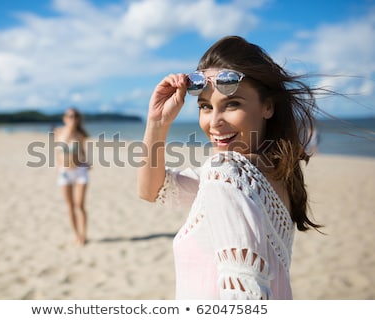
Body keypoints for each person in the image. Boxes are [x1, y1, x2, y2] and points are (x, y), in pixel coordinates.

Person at [137, 35, 322, 299]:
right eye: (205, 106)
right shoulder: (273, 171)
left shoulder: (226, 171)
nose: (214, 122)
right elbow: (152, 190)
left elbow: (246, 295)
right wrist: (157, 121)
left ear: (267, 106)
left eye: (232, 104)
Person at [54, 107, 90, 246]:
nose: (73, 118)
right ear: (65, 118)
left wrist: (87, 162)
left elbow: (82, 151)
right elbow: (57, 152)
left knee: (79, 205)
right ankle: (77, 235)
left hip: (80, 171)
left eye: (75, 116)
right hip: (65, 172)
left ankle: (83, 235)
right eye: (70, 116)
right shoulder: (58, 132)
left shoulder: (80, 134)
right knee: (69, 206)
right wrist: (58, 166)